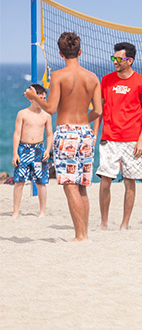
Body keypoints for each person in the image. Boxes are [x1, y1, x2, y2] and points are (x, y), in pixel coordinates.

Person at [24, 32, 101, 241]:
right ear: (80, 51)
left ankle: (80, 235)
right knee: (82, 185)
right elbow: (99, 111)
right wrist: (83, 119)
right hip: (85, 132)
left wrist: (33, 97)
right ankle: (84, 232)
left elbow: (50, 108)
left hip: (67, 132)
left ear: (60, 53)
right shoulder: (93, 77)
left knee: (69, 185)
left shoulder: (58, 76)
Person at [93, 42, 142, 230]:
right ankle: (103, 223)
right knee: (105, 181)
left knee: (130, 181)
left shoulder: (141, 82)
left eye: (119, 59)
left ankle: (124, 224)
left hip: (132, 139)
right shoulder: (106, 80)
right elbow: (99, 110)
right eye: (114, 58)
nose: (115, 61)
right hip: (109, 137)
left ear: (130, 60)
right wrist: (95, 133)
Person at [12, 84, 53, 218]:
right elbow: (17, 134)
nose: (42, 101)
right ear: (31, 99)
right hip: (24, 149)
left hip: (38, 150)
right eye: (39, 98)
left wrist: (47, 149)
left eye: (44, 98)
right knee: (19, 181)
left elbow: (49, 134)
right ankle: (16, 211)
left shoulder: (46, 115)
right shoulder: (22, 113)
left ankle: (42, 211)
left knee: (41, 182)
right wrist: (15, 153)